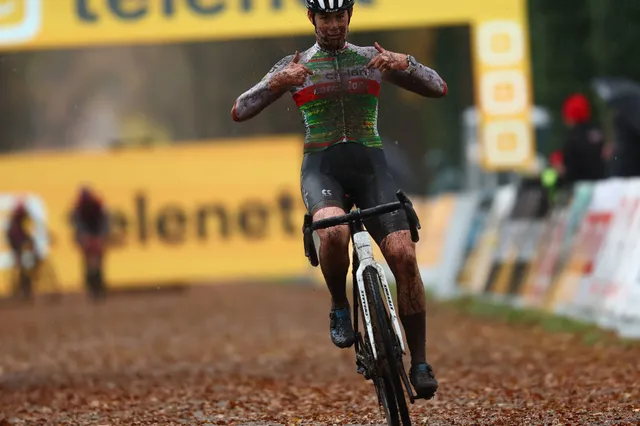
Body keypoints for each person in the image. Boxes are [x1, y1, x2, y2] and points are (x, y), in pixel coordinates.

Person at [231, 0, 447, 399]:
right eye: (325, 17)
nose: (333, 26)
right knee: (333, 233)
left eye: (340, 16)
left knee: (403, 254)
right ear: (312, 19)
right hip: (322, 169)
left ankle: (419, 361)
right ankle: (338, 304)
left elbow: (438, 87)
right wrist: (275, 83)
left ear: (350, 16)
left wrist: (407, 64)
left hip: (371, 166)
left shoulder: (371, 59)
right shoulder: (294, 66)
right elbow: (240, 110)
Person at [71, 187, 110, 299]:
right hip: (89, 237)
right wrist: (84, 238)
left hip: (96, 236)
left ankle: (98, 288)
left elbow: (104, 223)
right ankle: (93, 288)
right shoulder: (80, 209)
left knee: (96, 265)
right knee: (91, 265)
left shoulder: (97, 207)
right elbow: (78, 226)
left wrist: (101, 238)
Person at [560, 94, 607, 184]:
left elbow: (571, 171)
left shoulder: (572, 138)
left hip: (581, 188)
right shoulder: (597, 134)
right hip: (601, 186)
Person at [5, 199, 37, 299]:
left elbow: (26, 231)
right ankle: (23, 289)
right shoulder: (15, 221)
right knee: (23, 267)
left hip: (19, 242)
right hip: (17, 243)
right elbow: (16, 236)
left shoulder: (18, 219)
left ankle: (25, 288)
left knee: (25, 265)